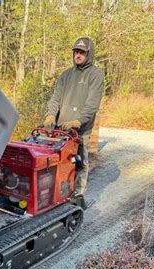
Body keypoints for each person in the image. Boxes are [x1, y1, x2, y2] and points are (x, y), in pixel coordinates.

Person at [41, 37, 104, 195]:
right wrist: (50, 115)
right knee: (59, 163)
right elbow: (55, 98)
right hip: (61, 130)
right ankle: (58, 193)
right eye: (76, 51)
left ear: (89, 54)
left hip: (81, 131)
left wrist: (78, 121)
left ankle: (78, 195)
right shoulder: (66, 75)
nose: (78, 55)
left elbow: (92, 104)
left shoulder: (95, 75)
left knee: (80, 163)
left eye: (82, 52)